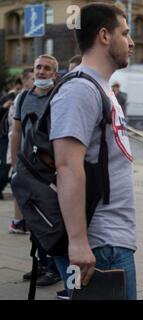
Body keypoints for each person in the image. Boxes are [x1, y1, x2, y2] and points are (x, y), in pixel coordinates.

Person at [50, 3, 137, 300]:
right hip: (99, 243)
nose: (131, 42)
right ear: (104, 36)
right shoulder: (80, 90)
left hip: (111, 239)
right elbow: (66, 166)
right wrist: (78, 242)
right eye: (124, 34)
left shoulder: (101, 89)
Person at [10, 55, 62, 287]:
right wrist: (14, 166)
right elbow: (17, 132)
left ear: (54, 74)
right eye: (38, 67)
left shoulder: (59, 98)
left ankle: (55, 268)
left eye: (47, 68)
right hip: (26, 169)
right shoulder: (23, 99)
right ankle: (41, 264)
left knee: (51, 221)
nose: (41, 72)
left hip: (49, 172)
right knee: (33, 221)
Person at [7, 68, 34, 234]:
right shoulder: (22, 98)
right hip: (20, 150)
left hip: (26, 150)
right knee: (19, 185)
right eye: (32, 78)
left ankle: (23, 221)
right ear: (24, 81)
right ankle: (18, 222)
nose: (35, 81)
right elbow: (16, 129)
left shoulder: (30, 97)